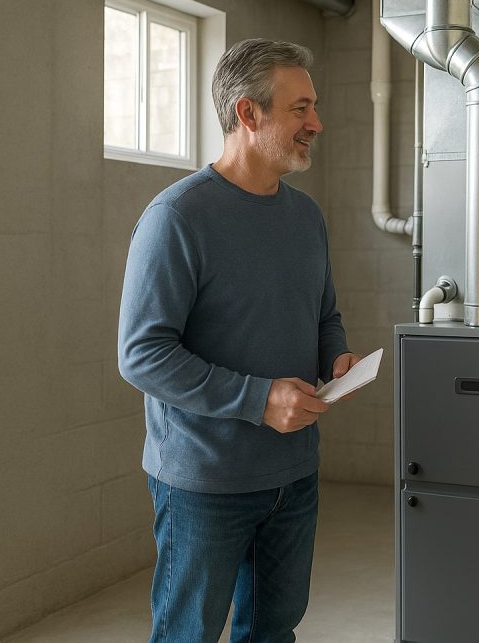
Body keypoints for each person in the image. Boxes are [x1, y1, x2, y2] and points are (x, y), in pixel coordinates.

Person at [118, 38, 362, 642]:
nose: (317, 123)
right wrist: (258, 400)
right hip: (205, 483)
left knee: (274, 631)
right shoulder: (176, 218)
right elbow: (142, 354)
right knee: (187, 634)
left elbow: (324, 312)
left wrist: (338, 355)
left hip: (294, 473)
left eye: (315, 107)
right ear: (248, 115)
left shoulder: (306, 217)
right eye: (300, 108)